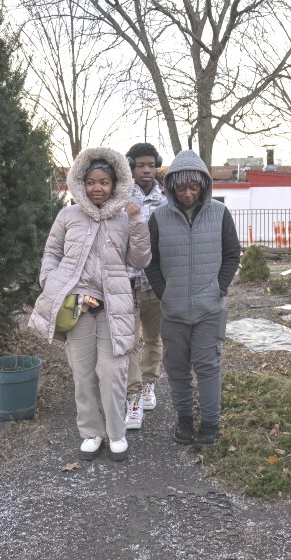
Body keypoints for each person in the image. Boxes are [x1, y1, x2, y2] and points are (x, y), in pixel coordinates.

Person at [29, 147, 150, 461]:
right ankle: (91, 433)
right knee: (83, 375)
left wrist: (137, 224)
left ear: (115, 184)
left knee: (113, 372)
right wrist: (53, 286)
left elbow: (140, 260)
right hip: (78, 310)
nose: (97, 188)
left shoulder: (126, 217)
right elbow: (51, 255)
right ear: (81, 184)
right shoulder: (68, 216)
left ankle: (116, 433)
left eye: (105, 182)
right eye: (92, 181)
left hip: (114, 309)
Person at [145, 149, 240, 447]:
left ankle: (210, 424)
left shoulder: (220, 214)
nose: (187, 193)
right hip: (172, 311)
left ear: (203, 185)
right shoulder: (158, 218)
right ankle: (184, 420)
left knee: (208, 366)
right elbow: (151, 261)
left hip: (209, 308)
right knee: (176, 369)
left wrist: (219, 287)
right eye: (182, 187)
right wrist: (164, 292)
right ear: (172, 186)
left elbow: (232, 255)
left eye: (193, 187)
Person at [123, 142, 166, 430]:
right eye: (141, 165)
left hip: (156, 283)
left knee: (153, 339)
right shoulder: (121, 199)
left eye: (151, 164)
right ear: (132, 167)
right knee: (127, 343)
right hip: (126, 282)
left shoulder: (166, 200)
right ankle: (133, 397)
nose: (147, 169)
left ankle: (149, 384)